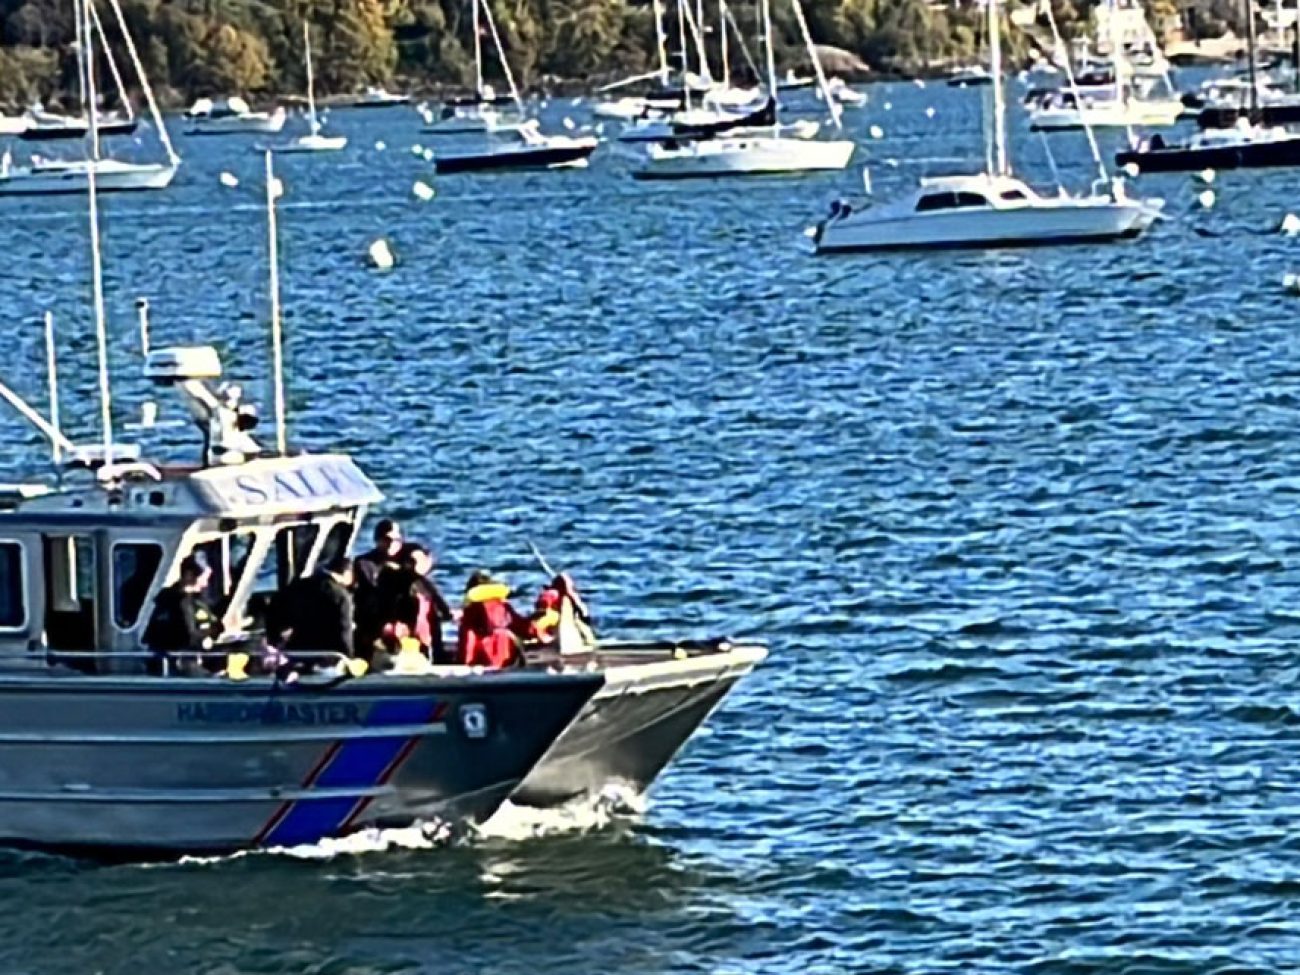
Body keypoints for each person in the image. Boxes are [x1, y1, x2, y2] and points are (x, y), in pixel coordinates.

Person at [143, 554, 219, 675]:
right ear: (189, 575)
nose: (205, 584)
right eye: (203, 578)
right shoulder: (175, 601)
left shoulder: (188, 600)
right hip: (174, 662)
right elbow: (189, 635)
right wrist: (213, 630)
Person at [379, 543, 455, 664]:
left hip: (421, 635)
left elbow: (442, 606)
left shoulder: (423, 583)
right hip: (409, 635)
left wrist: (448, 613)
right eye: (413, 561)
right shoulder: (402, 582)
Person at [277, 555, 356, 658]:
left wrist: (277, 641)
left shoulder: (297, 586)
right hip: (327, 653)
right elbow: (344, 628)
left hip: (296, 650)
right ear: (347, 574)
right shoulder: (340, 595)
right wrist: (349, 657)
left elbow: (276, 611)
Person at [353, 519, 405, 659]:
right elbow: (370, 589)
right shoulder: (364, 563)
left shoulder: (405, 562)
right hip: (373, 622)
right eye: (387, 539)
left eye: (396, 540)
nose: (391, 544)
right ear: (377, 540)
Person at [457, 571, 529, 669]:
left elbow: (467, 646)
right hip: (503, 654)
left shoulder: (471, 610)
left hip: (482, 659)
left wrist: (464, 664)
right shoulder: (504, 605)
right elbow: (521, 625)